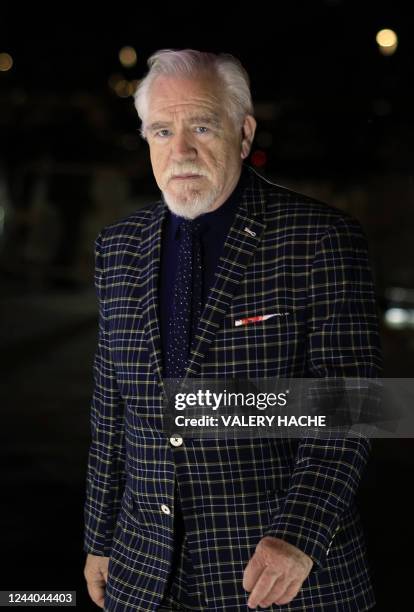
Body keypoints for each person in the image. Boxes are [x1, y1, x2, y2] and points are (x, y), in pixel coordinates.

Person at [83, 49, 382, 611]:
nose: (182, 151)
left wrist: (298, 534)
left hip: (280, 577)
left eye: (201, 126)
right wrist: (99, 536)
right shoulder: (116, 248)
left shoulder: (320, 239)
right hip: (143, 572)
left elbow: (357, 407)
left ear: (243, 134)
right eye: (162, 131)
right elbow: (110, 406)